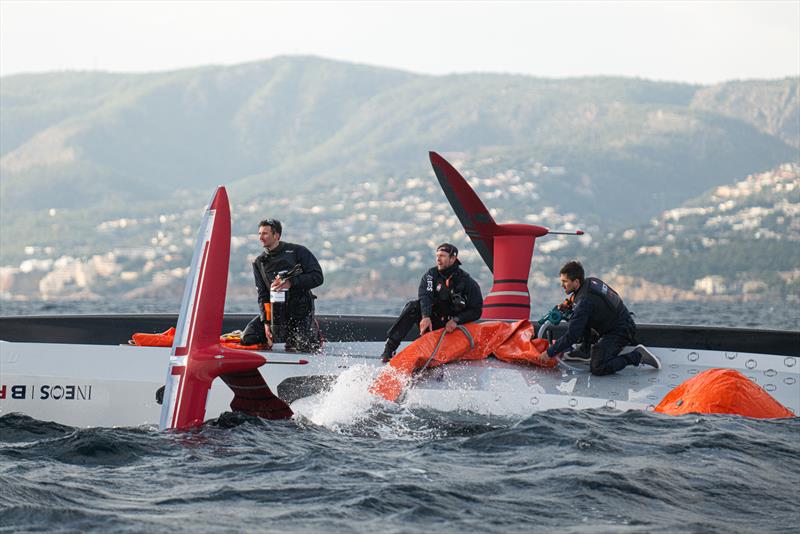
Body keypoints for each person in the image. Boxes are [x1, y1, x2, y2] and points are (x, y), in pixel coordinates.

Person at [543, 260, 660, 374]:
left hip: (621, 331)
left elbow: (572, 335)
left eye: (565, 281)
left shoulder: (584, 302)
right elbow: (580, 299)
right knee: (578, 315)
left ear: (576, 282)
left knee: (598, 367)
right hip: (620, 320)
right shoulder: (590, 282)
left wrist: (550, 353)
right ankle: (584, 351)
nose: (562, 285)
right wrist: (567, 305)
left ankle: (637, 356)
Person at [380, 243, 483, 362]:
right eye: (437, 256)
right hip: (433, 320)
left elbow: (476, 310)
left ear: (453, 259)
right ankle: (390, 348)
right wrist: (425, 316)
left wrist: (456, 320)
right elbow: (425, 296)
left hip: (452, 327)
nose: (438, 259)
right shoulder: (431, 275)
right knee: (413, 306)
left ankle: (438, 358)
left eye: (443, 256)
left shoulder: (467, 282)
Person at [241, 219, 324, 352]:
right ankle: (284, 336)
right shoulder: (259, 262)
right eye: (259, 234)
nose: (261, 238)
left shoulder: (298, 252)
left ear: (277, 236)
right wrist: (266, 323)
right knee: (249, 338)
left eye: (265, 234)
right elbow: (263, 296)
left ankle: (313, 331)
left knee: (304, 346)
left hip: (300, 310)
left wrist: (291, 283)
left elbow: (318, 277)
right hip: (277, 311)